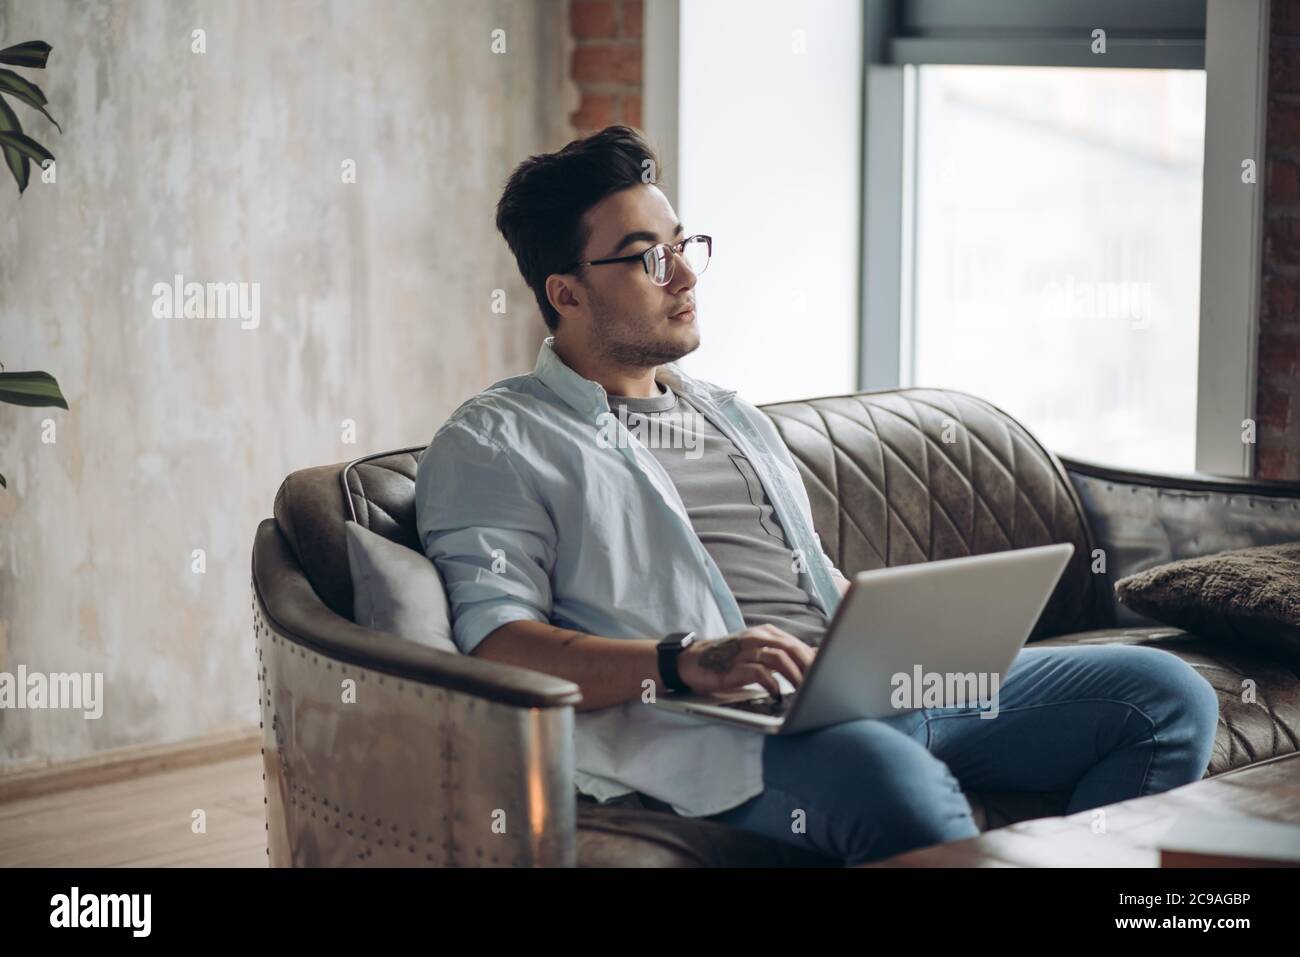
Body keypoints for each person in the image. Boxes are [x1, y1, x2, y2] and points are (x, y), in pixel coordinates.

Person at [414, 126, 1220, 865]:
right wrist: (685, 662)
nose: (686, 273)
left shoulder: (729, 413)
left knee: (1163, 696)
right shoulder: (496, 439)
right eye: (646, 256)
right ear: (566, 292)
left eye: (682, 243)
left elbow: (809, 580)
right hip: (723, 729)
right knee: (890, 779)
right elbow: (499, 645)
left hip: (862, 686)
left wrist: (901, 629)